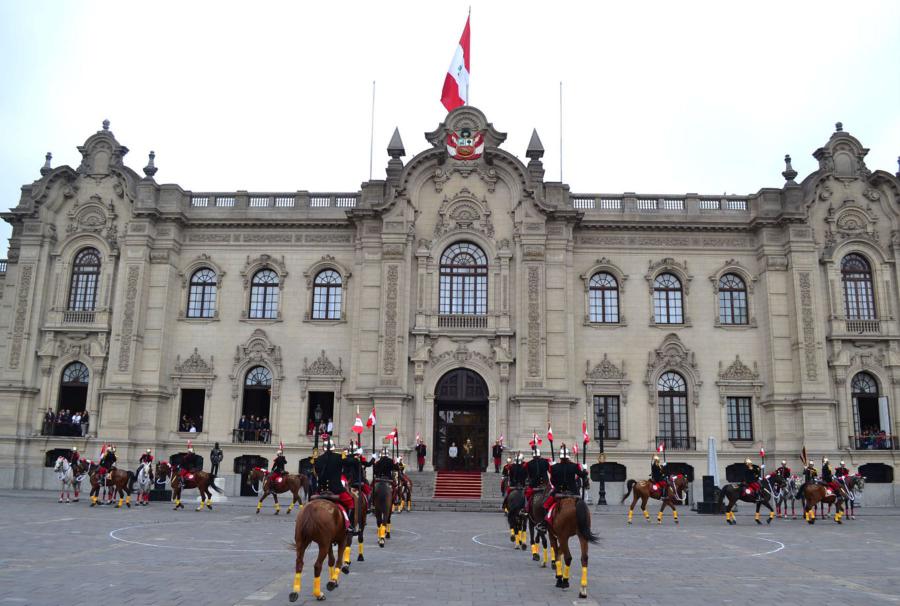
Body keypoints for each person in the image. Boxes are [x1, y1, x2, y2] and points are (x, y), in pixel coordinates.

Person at [314, 438, 356, 532]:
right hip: (336, 490)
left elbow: (316, 472)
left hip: (321, 490)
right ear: (333, 448)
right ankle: (349, 525)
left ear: (323, 448)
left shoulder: (318, 459)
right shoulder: (339, 457)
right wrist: (354, 456)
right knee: (351, 502)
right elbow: (351, 462)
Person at [541, 445, 588, 527]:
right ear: (569, 456)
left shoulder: (554, 467)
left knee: (545, 505)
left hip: (559, 492)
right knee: (583, 507)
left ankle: (545, 524)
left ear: (560, 457)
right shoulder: (574, 466)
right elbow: (582, 476)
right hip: (574, 492)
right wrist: (585, 470)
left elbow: (553, 481)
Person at [524, 448, 550, 514]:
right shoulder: (545, 462)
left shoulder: (529, 464)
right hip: (545, 485)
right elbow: (550, 471)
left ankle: (526, 510)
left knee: (526, 496)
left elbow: (529, 476)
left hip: (534, 486)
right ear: (539, 455)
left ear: (533, 455)